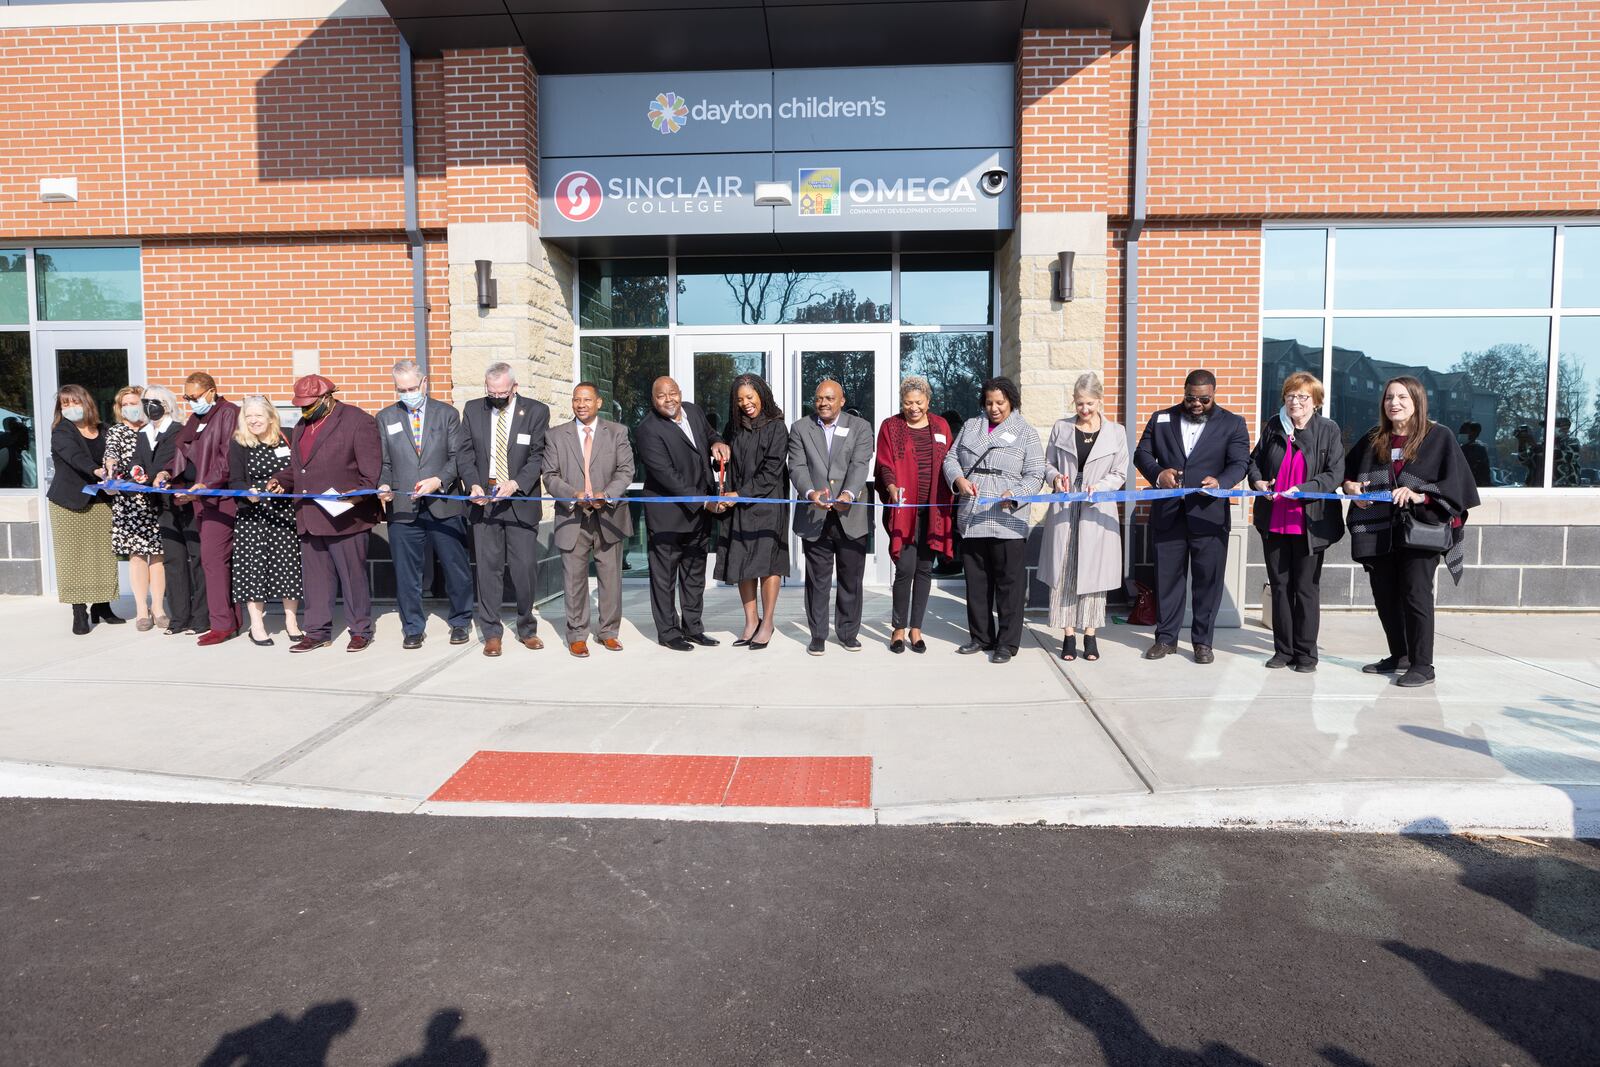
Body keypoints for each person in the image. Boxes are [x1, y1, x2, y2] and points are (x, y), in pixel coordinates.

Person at [1343, 376, 1480, 687]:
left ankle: (1422, 665)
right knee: (1385, 596)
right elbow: (1347, 474)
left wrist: (1421, 494)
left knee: (1416, 595)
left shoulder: (1438, 437)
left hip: (1421, 529)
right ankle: (1400, 655)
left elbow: (1458, 487)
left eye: (1402, 397)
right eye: (1389, 397)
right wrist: (1351, 487)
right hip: (1378, 528)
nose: (1394, 403)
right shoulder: (1373, 438)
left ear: (1417, 401)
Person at [1132, 368, 1250, 664]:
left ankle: (1202, 643)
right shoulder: (1162, 418)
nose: (1196, 404)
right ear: (1184, 393)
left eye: (1204, 400)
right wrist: (1159, 474)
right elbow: (1141, 454)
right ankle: (1166, 639)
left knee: (1207, 582)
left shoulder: (1233, 423)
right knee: (1167, 579)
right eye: (1190, 398)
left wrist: (1221, 483)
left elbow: (1240, 463)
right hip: (1169, 514)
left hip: (1208, 517)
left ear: (1214, 394)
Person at [266, 374, 382, 653]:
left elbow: (370, 476)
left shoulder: (358, 421)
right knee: (315, 581)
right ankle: (317, 631)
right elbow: (300, 468)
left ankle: (360, 630)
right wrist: (282, 479)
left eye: (310, 403)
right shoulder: (303, 425)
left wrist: (350, 499)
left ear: (327, 397)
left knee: (353, 579)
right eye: (301, 405)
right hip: (309, 516)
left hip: (347, 518)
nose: (305, 409)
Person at [1246, 372, 1346, 672]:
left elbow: (1334, 474)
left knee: (1305, 589)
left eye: (1303, 397)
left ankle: (1306, 654)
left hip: (1309, 523)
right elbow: (1254, 462)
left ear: (1315, 402)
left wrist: (1303, 490)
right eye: (1290, 396)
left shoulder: (1327, 430)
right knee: (1280, 587)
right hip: (1274, 520)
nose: (1295, 402)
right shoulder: (1274, 427)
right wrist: (1258, 482)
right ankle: (1283, 650)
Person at [943, 376, 1045, 665]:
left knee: (1008, 584)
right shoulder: (971, 426)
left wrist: (1015, 494)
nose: (994, 408)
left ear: (1011, 401)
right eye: (989, 402)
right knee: (976, 582)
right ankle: (980, 636)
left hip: (1007, 517)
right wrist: (959, 479)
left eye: (1000, 402)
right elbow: (950, 459)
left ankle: (1007, 642)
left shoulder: (1025, 432)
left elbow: (1036, 474)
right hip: (973, 514)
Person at [377, 359, 473, 650]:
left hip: (443, 504)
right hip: (404, 508)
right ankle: (413, 628)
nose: (407, 393)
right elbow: (383, 462)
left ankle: (460, 621)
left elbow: (458, 457)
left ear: (424, 384)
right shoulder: (385, 418)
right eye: (401, 389)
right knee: (407, 574)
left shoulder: (447, 415)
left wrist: (438, 480)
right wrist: (383, 484)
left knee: (456, 569)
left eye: (411, 387)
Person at [459, 363, 549, 657]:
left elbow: (538, 456)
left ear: (515, 387)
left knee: (523, 569)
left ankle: (527, 628)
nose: (496, 397)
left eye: (502, 392)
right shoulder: (473, 410)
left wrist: (516, 483)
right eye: (491, 392)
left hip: (519, 500)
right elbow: (465, 452)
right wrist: (472, 484)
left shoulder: (535, 412)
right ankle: (491, 633)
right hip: (484, 501)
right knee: (488, 571)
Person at [633, 376, 730, 651]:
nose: (668, 400)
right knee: (665, 579)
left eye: (672, 393)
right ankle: (669, 633)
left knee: (694, 575)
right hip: (669, 516)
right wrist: (704, 501)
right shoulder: (648, 430)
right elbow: (667, 476)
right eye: (661, 396)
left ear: (680, 393)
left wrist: (717, 442)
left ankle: (694, 628)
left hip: (699, 516)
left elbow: (709, 434)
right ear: (653, 400)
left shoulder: (694, 411)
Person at [1039, 372, 1127, 664]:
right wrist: (1055, 479)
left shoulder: (1116, 432)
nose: (1084, 409)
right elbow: (1047, 463)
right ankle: (1067, 634)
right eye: (1079, 404)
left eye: (1089, 403)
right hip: (1065, 506)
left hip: (1097, 507)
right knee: (1064, 569)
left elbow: (1120, 473)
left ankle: (1090, 634)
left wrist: (1098, 488)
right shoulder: (1061, 428)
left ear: (1100, 401)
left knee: (1094, 572)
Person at [543, 382, 635, 658]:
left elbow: (626, 470)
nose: (581, 404)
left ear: (599, 403)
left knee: (610, 579)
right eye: (576, 400)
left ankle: (608, 632)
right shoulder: (556, 436)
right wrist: (573, 494)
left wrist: (605, 494)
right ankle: (577, 635)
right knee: (574, 580)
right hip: (572, 516)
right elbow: (549, 475)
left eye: (586, 400)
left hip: (608, 516)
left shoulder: (617, 432)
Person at [789, 378, 874, 656]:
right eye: (819, 399)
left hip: (850, 514)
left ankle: (848, 633)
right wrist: (810, 492)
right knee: (818, 580)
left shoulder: (860, 427)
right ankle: (818, 635)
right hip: (815, 514)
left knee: (851, 578)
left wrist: (848, 493)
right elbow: (797, 466)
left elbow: (860, 464)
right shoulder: (801, 428)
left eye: (829, 398)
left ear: (841, 401)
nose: (823, 403)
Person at [875, 375, 954, 654]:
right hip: (904, 510)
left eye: (919, 402)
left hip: (933, 511)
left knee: (924, 569)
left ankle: (916, 628)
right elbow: (884, 463)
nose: (914, 408)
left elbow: (950, 463)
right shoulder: (891, 426)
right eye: (908, 403)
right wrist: (892, 486)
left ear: (928, 402)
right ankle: (898, 627)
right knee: (905, 568)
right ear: (902, 403)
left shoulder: (942, 426)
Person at [160, 372, 240, 645]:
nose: (191, 402)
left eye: (194, 397)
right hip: (199, 499)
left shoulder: (229, 414)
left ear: (211, 391)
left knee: (213, 560)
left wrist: (206, 484)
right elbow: (182, 452)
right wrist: (168, 473)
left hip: (220, 498)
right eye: (187, 397)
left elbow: (228, 458)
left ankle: (222, 624)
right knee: (214, 561)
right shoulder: (197, 419)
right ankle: (228, 620)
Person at [714, 373, 790, 649]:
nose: (746, 403)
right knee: (742, 563)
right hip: (737, 504)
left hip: (767, 504)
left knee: (768, 564)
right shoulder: (733, 428)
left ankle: (767, 622)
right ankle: (750, 621)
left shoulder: (777, 428)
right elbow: (727, 465)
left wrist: (740, 494)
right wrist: (719, 460)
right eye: (740, 399)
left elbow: (771, 472)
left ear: (762, 395)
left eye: (750, 397)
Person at [228, 395, 304, 646]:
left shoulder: (288, 436)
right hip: (253, 516)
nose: (253, 421)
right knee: (254, 570)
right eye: (248, 417)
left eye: (258, 416)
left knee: (288, 567)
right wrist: (247, 494)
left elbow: (298, 470)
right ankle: (257, 625)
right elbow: (235, 481)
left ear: (271, 416)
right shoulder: (239, 443)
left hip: (283, 514)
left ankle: (291, 621)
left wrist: (284, 483)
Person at [46, 385, 120, 634]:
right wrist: (98, 470)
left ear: (86, 403)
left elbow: (115, 455)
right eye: (64, 405)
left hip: (102, 502)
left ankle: (103, 606)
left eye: (73, 402)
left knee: (103, 556)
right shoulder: (62, 432)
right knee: (72, 559)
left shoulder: (105, 429)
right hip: (68, 503)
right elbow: (75, 457)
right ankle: (79, 610)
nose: (69, 408)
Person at [136, 387, 202, 634]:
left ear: (166, 404)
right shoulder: (143, 434)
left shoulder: (177, 430)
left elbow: (170, 463)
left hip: (184, 501)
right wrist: (135, 473)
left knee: (197, 559)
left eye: (155, 401)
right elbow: (138, 463)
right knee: (173, 561)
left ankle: (201, 616)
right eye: (146, 401)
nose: (150, 406)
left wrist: (150, 475)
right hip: (163, 506)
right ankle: (179, 617)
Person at [102, 386, 165, 631]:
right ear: (120, 408)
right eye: (125, 403)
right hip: (129, 502)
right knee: (137, 556)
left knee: (158, 556)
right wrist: (109, 468)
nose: (131, 407)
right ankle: (141, 609)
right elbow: (111, 455)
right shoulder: (116, 432)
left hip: (156, 502)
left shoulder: (154, 428)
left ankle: (158, 607)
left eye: (135, 402)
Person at [1456, 422, 1492, 487]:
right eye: (1461, 431)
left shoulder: (1479, 450)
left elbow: (1484, 472)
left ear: (1474, 433)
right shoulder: (1458, 448)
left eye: (1464, 431)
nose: (1460, 433)